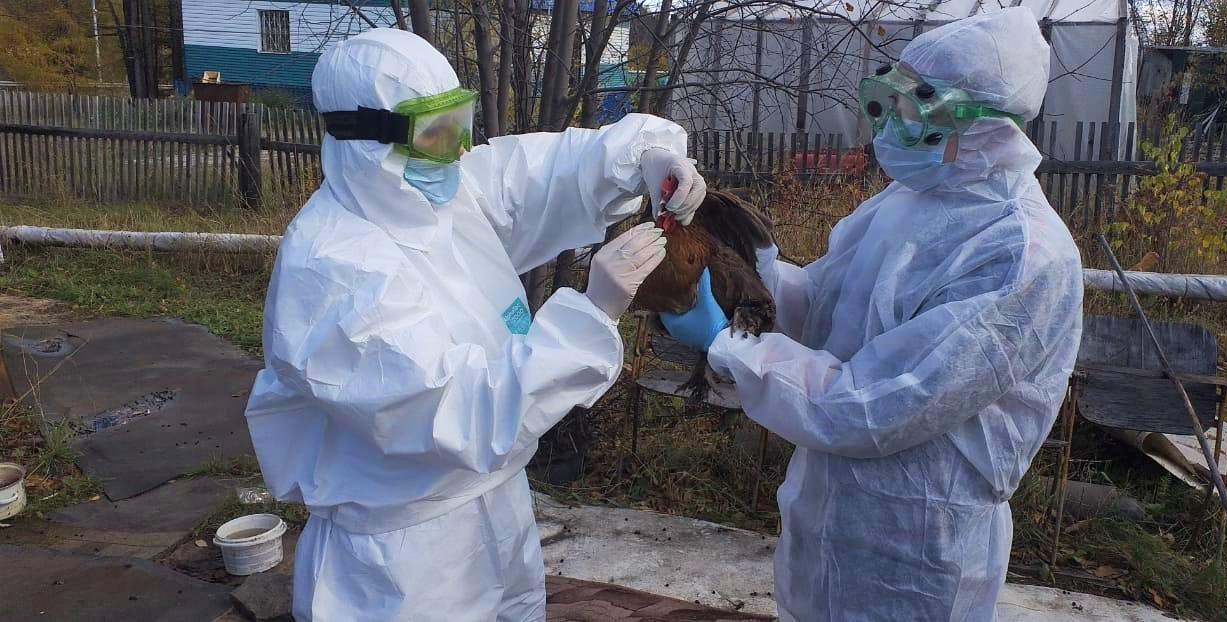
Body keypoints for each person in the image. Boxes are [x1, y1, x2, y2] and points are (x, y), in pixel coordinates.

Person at [243, 29, 705, 621]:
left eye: (458, 121)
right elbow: (455, 413)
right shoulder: (333, 268)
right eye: (435, 132)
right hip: (405, 564)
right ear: (366, 141)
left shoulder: (434, 196)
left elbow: (545, 173)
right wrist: (592, 315)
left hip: (496, 507)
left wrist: (647, 157)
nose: (460, 150)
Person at [660, 8, 1084, 621]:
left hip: (917, 550)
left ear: (980, 125)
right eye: (888, 103)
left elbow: (874, 403)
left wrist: (731, 345)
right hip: (826, 517)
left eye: (913, 111)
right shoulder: (905, 203)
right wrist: (740, 267)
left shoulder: (1020, 254)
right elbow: (822, 309)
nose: (890, 127)